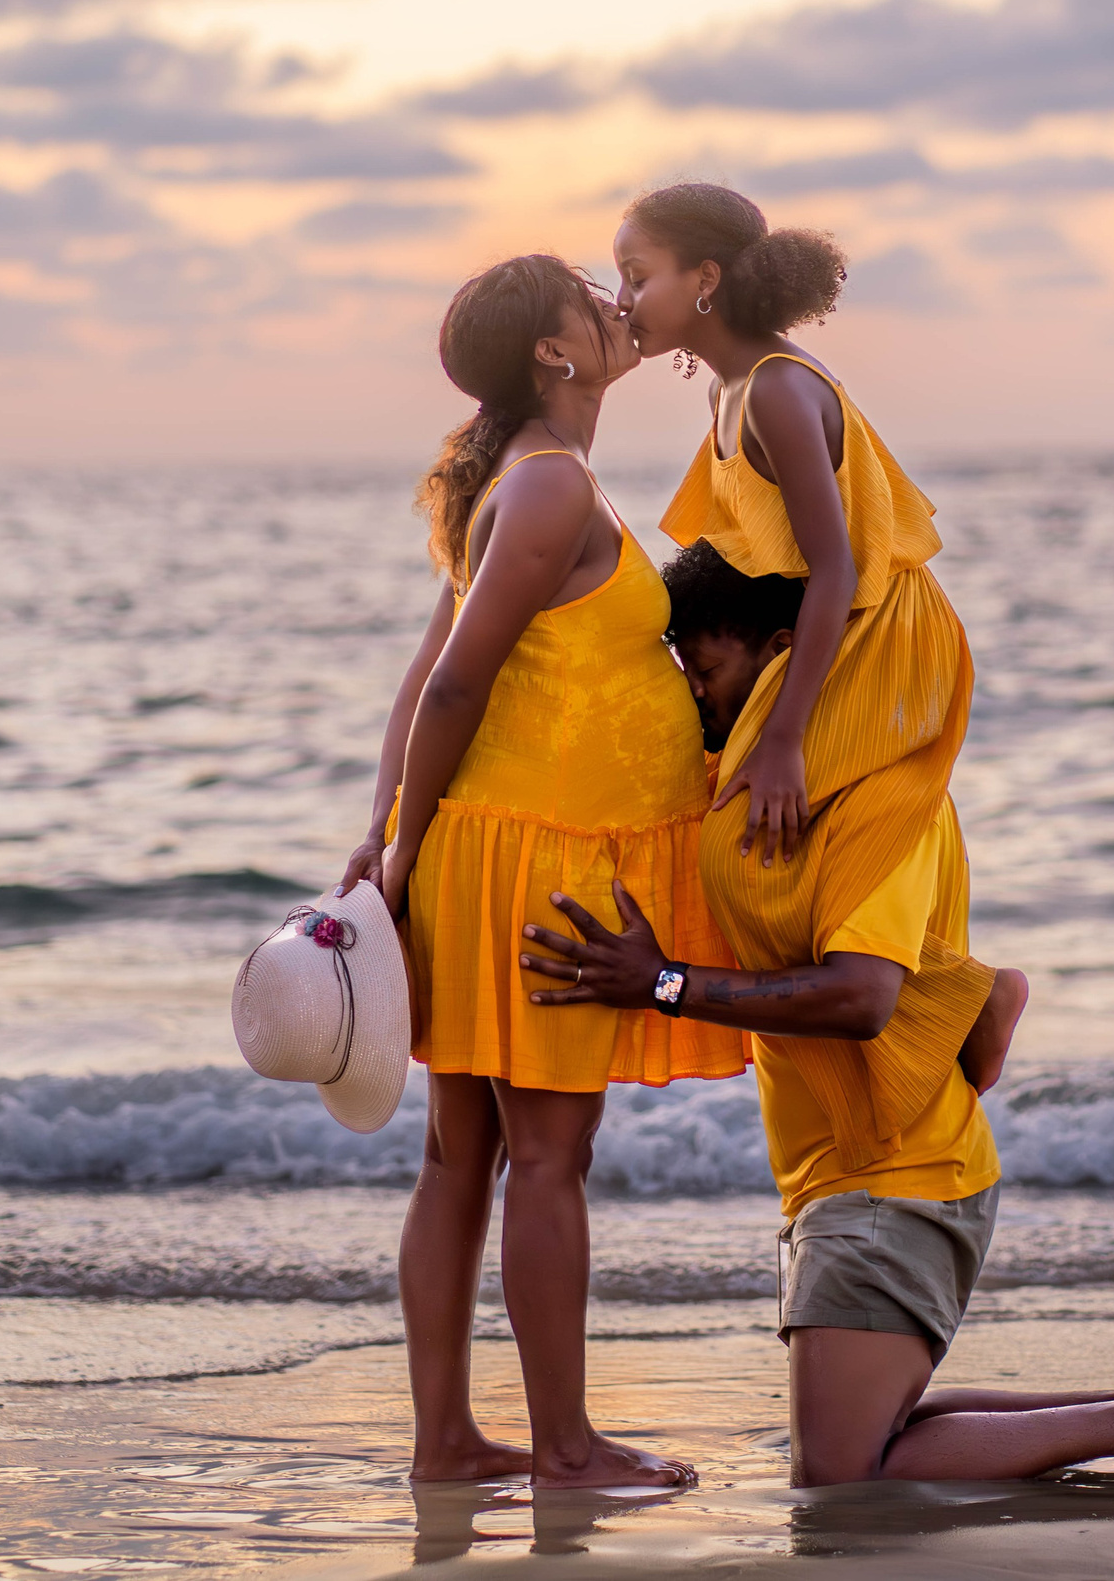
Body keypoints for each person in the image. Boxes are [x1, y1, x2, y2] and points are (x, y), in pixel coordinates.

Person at [518, 543, 1114, 1486]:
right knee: (865, 1439)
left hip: (898, 1178)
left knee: (842, 1479)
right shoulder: (773, 797)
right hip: (849, 1179)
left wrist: (663, 982)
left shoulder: (883, 796)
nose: (695, 698)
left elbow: (862, 994)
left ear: (780, 651)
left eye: (708, 672)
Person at [339, 254, 746, 1490]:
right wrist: (395, 848)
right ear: (553, 355)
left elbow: (429, 675)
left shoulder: (522, 483)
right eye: (589, 294)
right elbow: (450, 681)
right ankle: (565, 1448)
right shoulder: (551, 488)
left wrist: (389, 832)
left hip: (492, 846)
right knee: (549, 1159)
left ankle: (449, 1444)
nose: (616, 304)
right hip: (535, 865)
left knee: (463, 1159)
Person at [611, 181, 1026, 1113]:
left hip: (877, 625)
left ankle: (962, 998)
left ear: (706, 279)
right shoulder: (727, 392)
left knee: (801, 824)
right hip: (830, 627)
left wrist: (784, 737)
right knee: (772, 848)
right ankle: (957, 1004)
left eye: (637, 276)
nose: (622, 299)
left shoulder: (778, 391)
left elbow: (835, 568)